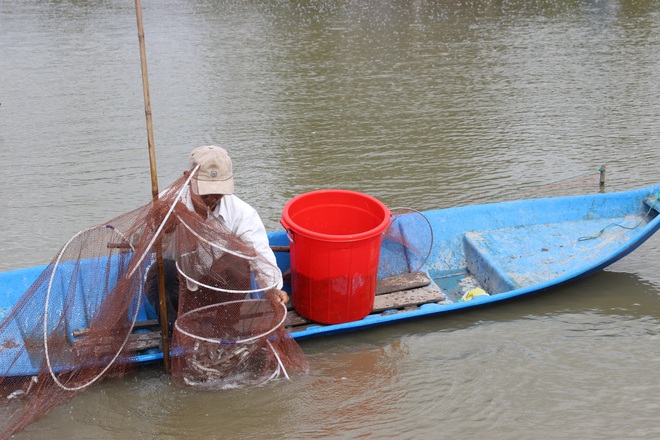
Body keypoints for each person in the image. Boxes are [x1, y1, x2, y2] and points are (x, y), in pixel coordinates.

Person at [146, 145, 288, 331]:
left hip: (213, 288)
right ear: (188, 177)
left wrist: (272, 288)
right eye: (206, 189)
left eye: (218, 188)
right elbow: (144, 246)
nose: (212, 196)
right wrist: (162, 228)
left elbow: (259, 252)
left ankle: (224, 328)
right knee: (166, 268)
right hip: (174, 288)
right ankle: (175, 332)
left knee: (238, 261)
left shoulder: (241, 213)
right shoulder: (166, 203)